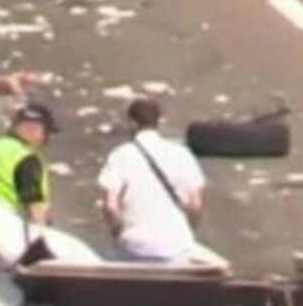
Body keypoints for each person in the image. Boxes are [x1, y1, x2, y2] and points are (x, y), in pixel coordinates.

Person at [97, 98, 227, 267]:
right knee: (220, 265)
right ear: (159, 122)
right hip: (177, 245)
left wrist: (119, 233)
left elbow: (111, 207)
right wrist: (186, 231)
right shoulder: (181, 154)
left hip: (135, 245)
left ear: (132, 123)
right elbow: (195, 205)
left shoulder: (120, 155)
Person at [0, 104, 59, 225]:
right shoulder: (27, 158)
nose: (45, 139)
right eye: (46, 133)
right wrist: (42, 227)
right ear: (37, 130)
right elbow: (35, 206)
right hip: (2, 222)